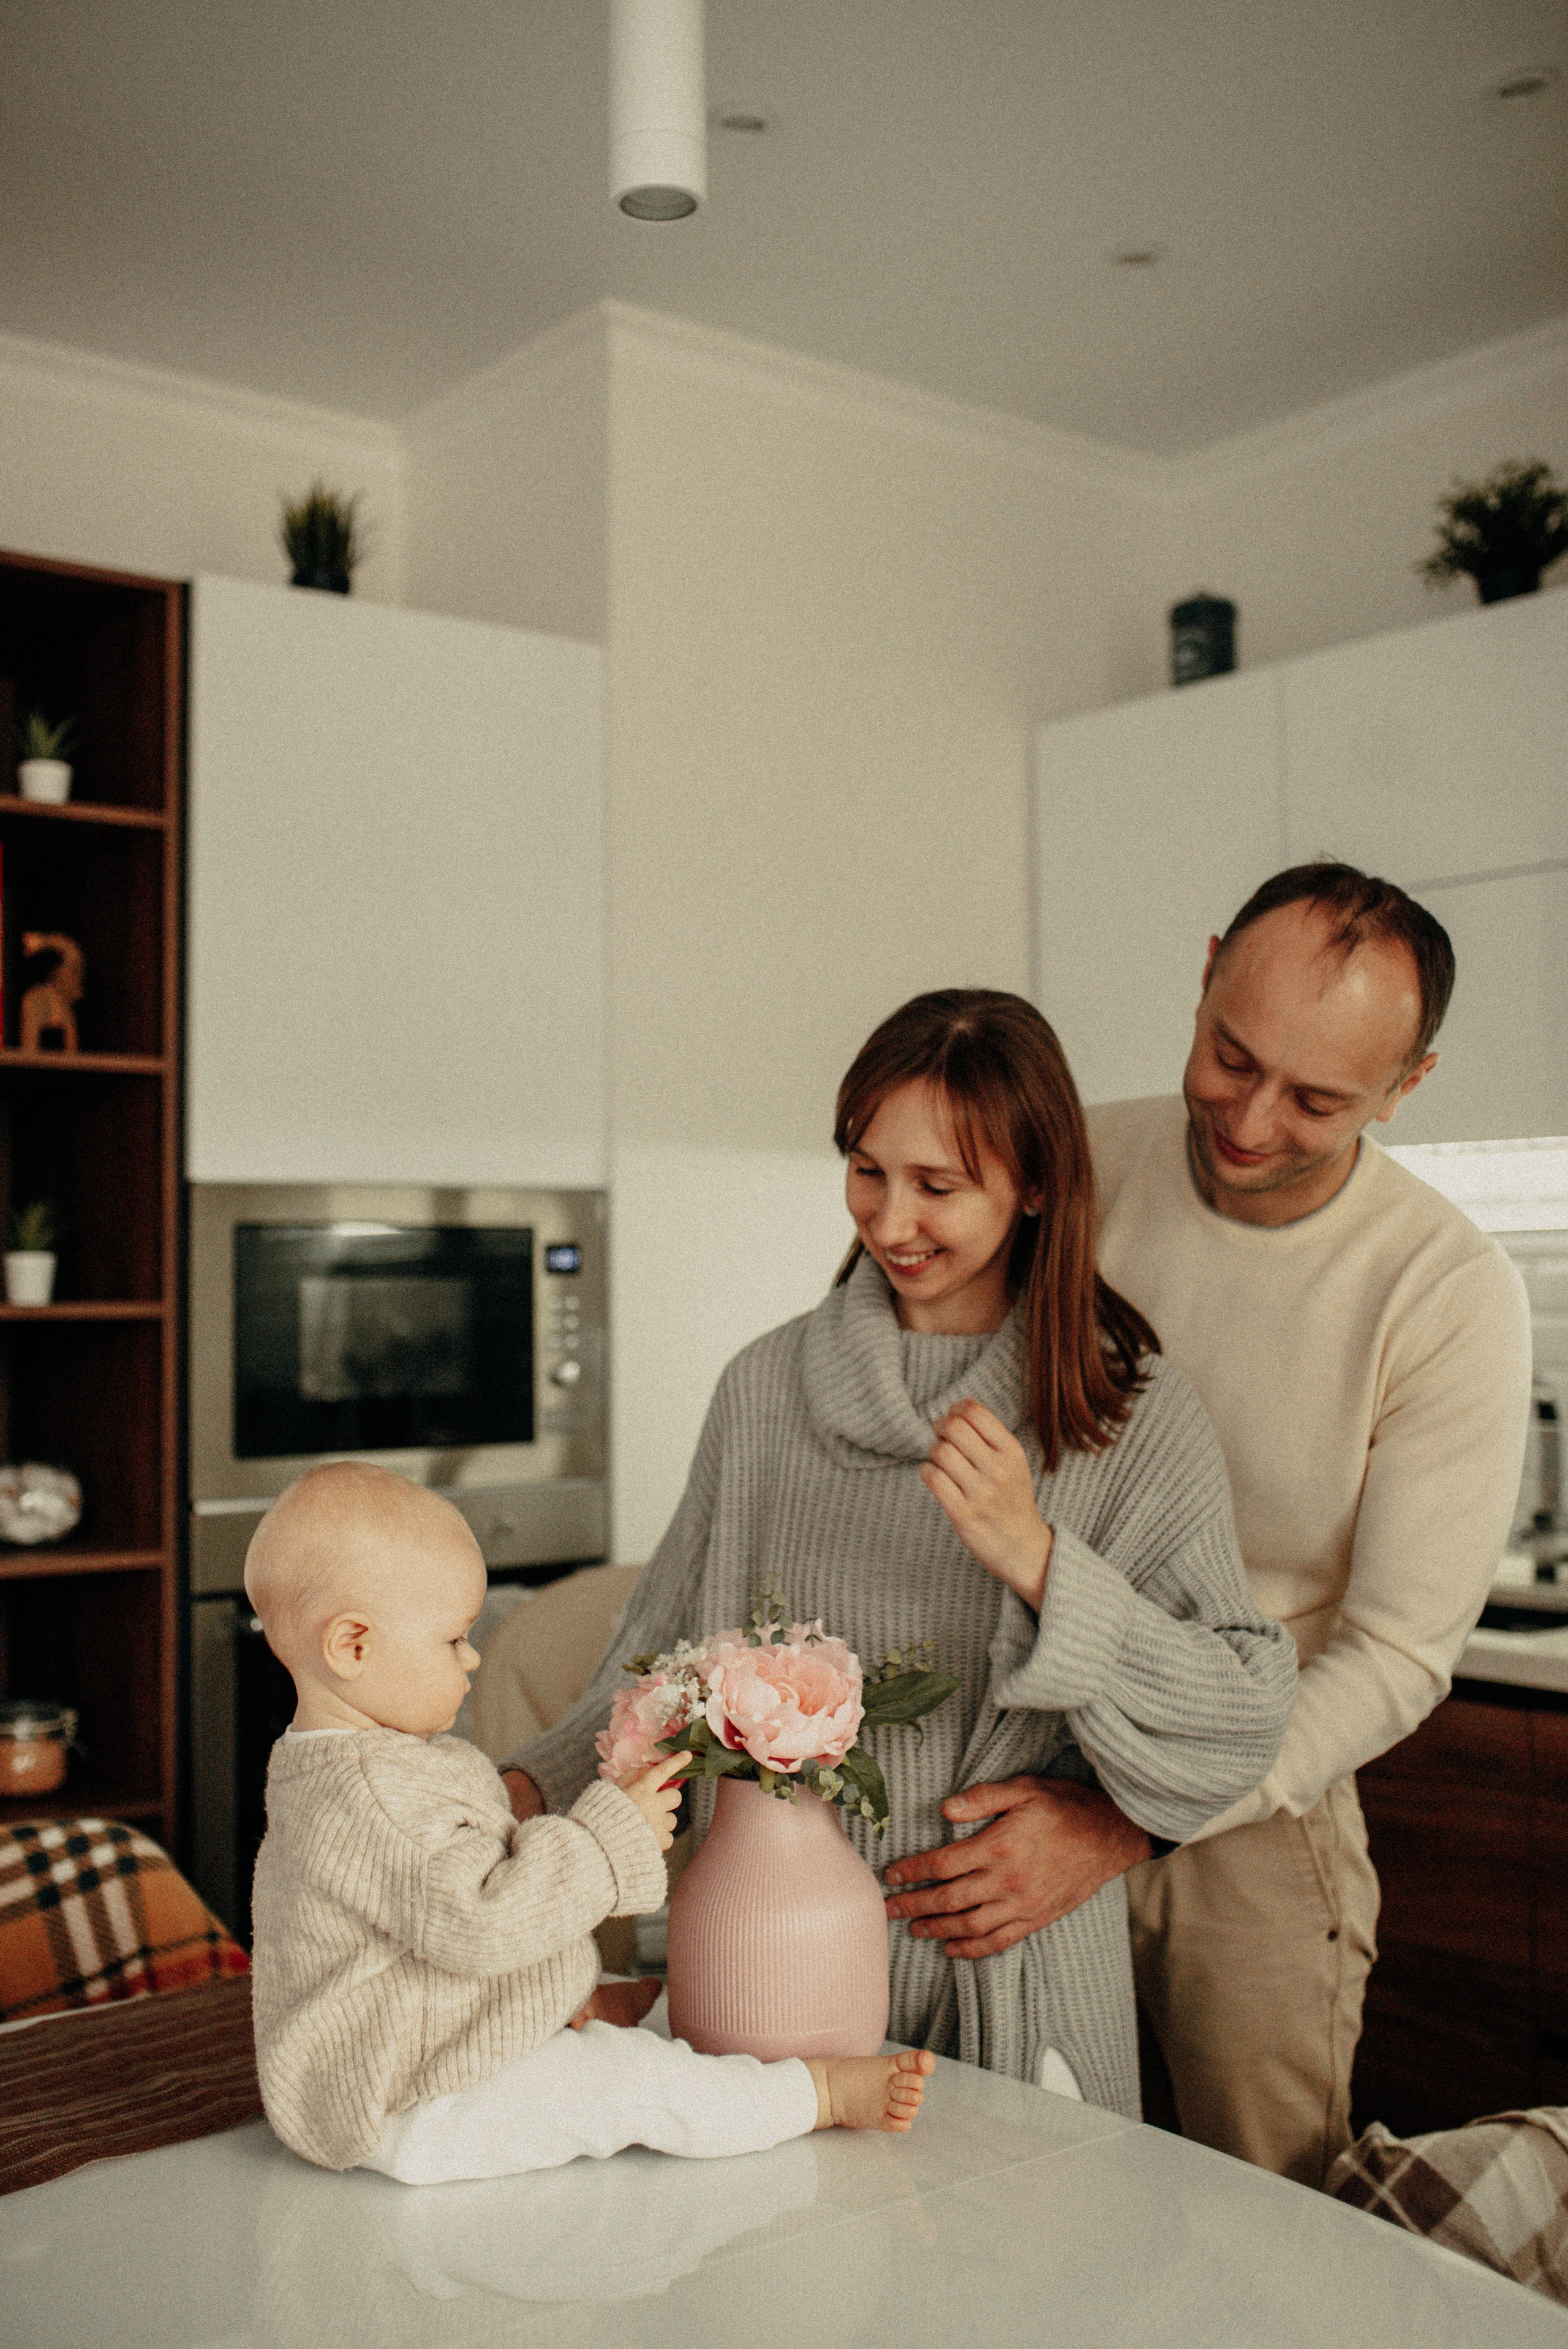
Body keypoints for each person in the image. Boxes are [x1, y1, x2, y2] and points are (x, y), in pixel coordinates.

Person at [503, 991, 1296, 2118]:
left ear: (1034, 1187)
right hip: (768, 1986)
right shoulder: (766, 1391)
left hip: (1014, 1989)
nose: (889, 1219)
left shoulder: (1129, 1416)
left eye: (939, 1186)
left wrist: (1038, 1559)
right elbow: (659, 1679)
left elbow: (1242, 1716)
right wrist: (515, 1791)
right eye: (868, 1170)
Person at [883, 865, 1532, 2189]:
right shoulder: (1070, 1160)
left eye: (1315, 1098)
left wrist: (1132, 1817)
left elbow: (1396, 1656)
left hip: (1240, 1797)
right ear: (1202, 971)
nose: (1248, 1117)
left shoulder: (1444, 1290)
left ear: (1404, 1086)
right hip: (1004, 1739)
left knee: (1261, 2204)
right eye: (1229, 1056)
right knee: (981, 2176)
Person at [246, 1461, 933, 2183]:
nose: (473, 1657)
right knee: (631, 2082)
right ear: (352, 1646)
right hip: (411, 2102)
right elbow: (482, 1919)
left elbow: (440, 1919)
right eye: (453, 1640)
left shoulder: (363, 1764)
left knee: (590, 2011)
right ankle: (811, 2092)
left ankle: (572, 2002)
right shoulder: (371, 1795)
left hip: (412, 2040)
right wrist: (608, 1837)